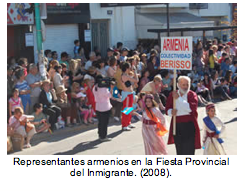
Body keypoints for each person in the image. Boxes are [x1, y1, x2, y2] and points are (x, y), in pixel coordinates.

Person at [165, 76, 201, 155]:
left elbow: (191, 109)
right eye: (183, 85)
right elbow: (167, 109)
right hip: (177, 125)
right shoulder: (173, 94)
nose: (185, 87)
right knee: (180, 150)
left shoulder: (192, 94)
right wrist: (171, 112)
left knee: (189, 149)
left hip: (189, 125)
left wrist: (179, 99)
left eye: (187, 85)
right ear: (178, 85)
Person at [93, 75, 113, 141]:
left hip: (98, 106)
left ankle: (100, 135)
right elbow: (109, 95)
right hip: (105, 107)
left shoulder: (95, 87)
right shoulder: (103, 88)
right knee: (104, 123)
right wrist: (111, 88)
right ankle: (103, 136)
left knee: (100, 122)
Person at [121, 62, 139, 131]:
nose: (130, 69)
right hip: (127, 94)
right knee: (126, 110)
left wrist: (135, 73)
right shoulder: (124, 76)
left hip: (130, 94)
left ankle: (128, 123)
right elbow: (136, 80)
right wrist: (135, 72)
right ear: (126, 68)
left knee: (130, 109)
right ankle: (124, 125)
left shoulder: (126, 75)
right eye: (129, 68)